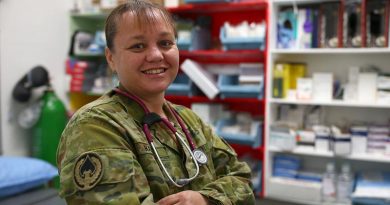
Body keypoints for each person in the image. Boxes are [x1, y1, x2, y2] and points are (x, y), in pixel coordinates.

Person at [56, 0, 255, 204]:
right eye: (138, 46)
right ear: (111, 58)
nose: (155, 55)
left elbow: (244, 181)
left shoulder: (189, 120)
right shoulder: (95, 126)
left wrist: (206, 199)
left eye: (165, 43)